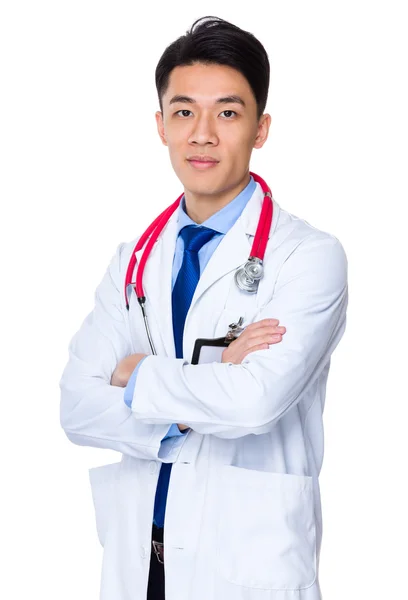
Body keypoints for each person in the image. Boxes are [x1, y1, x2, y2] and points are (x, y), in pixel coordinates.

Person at [59, 15, 348, 600]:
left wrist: (134, 373)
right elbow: (76, 406)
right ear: (160, 126)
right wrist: (214, 375)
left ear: (261, 129)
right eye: (184, 111)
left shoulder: (309, 258)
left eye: (229, 113)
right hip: (143, 558)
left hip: (247, 568)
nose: (203, 134)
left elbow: (254, 405)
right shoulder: (134, 261)